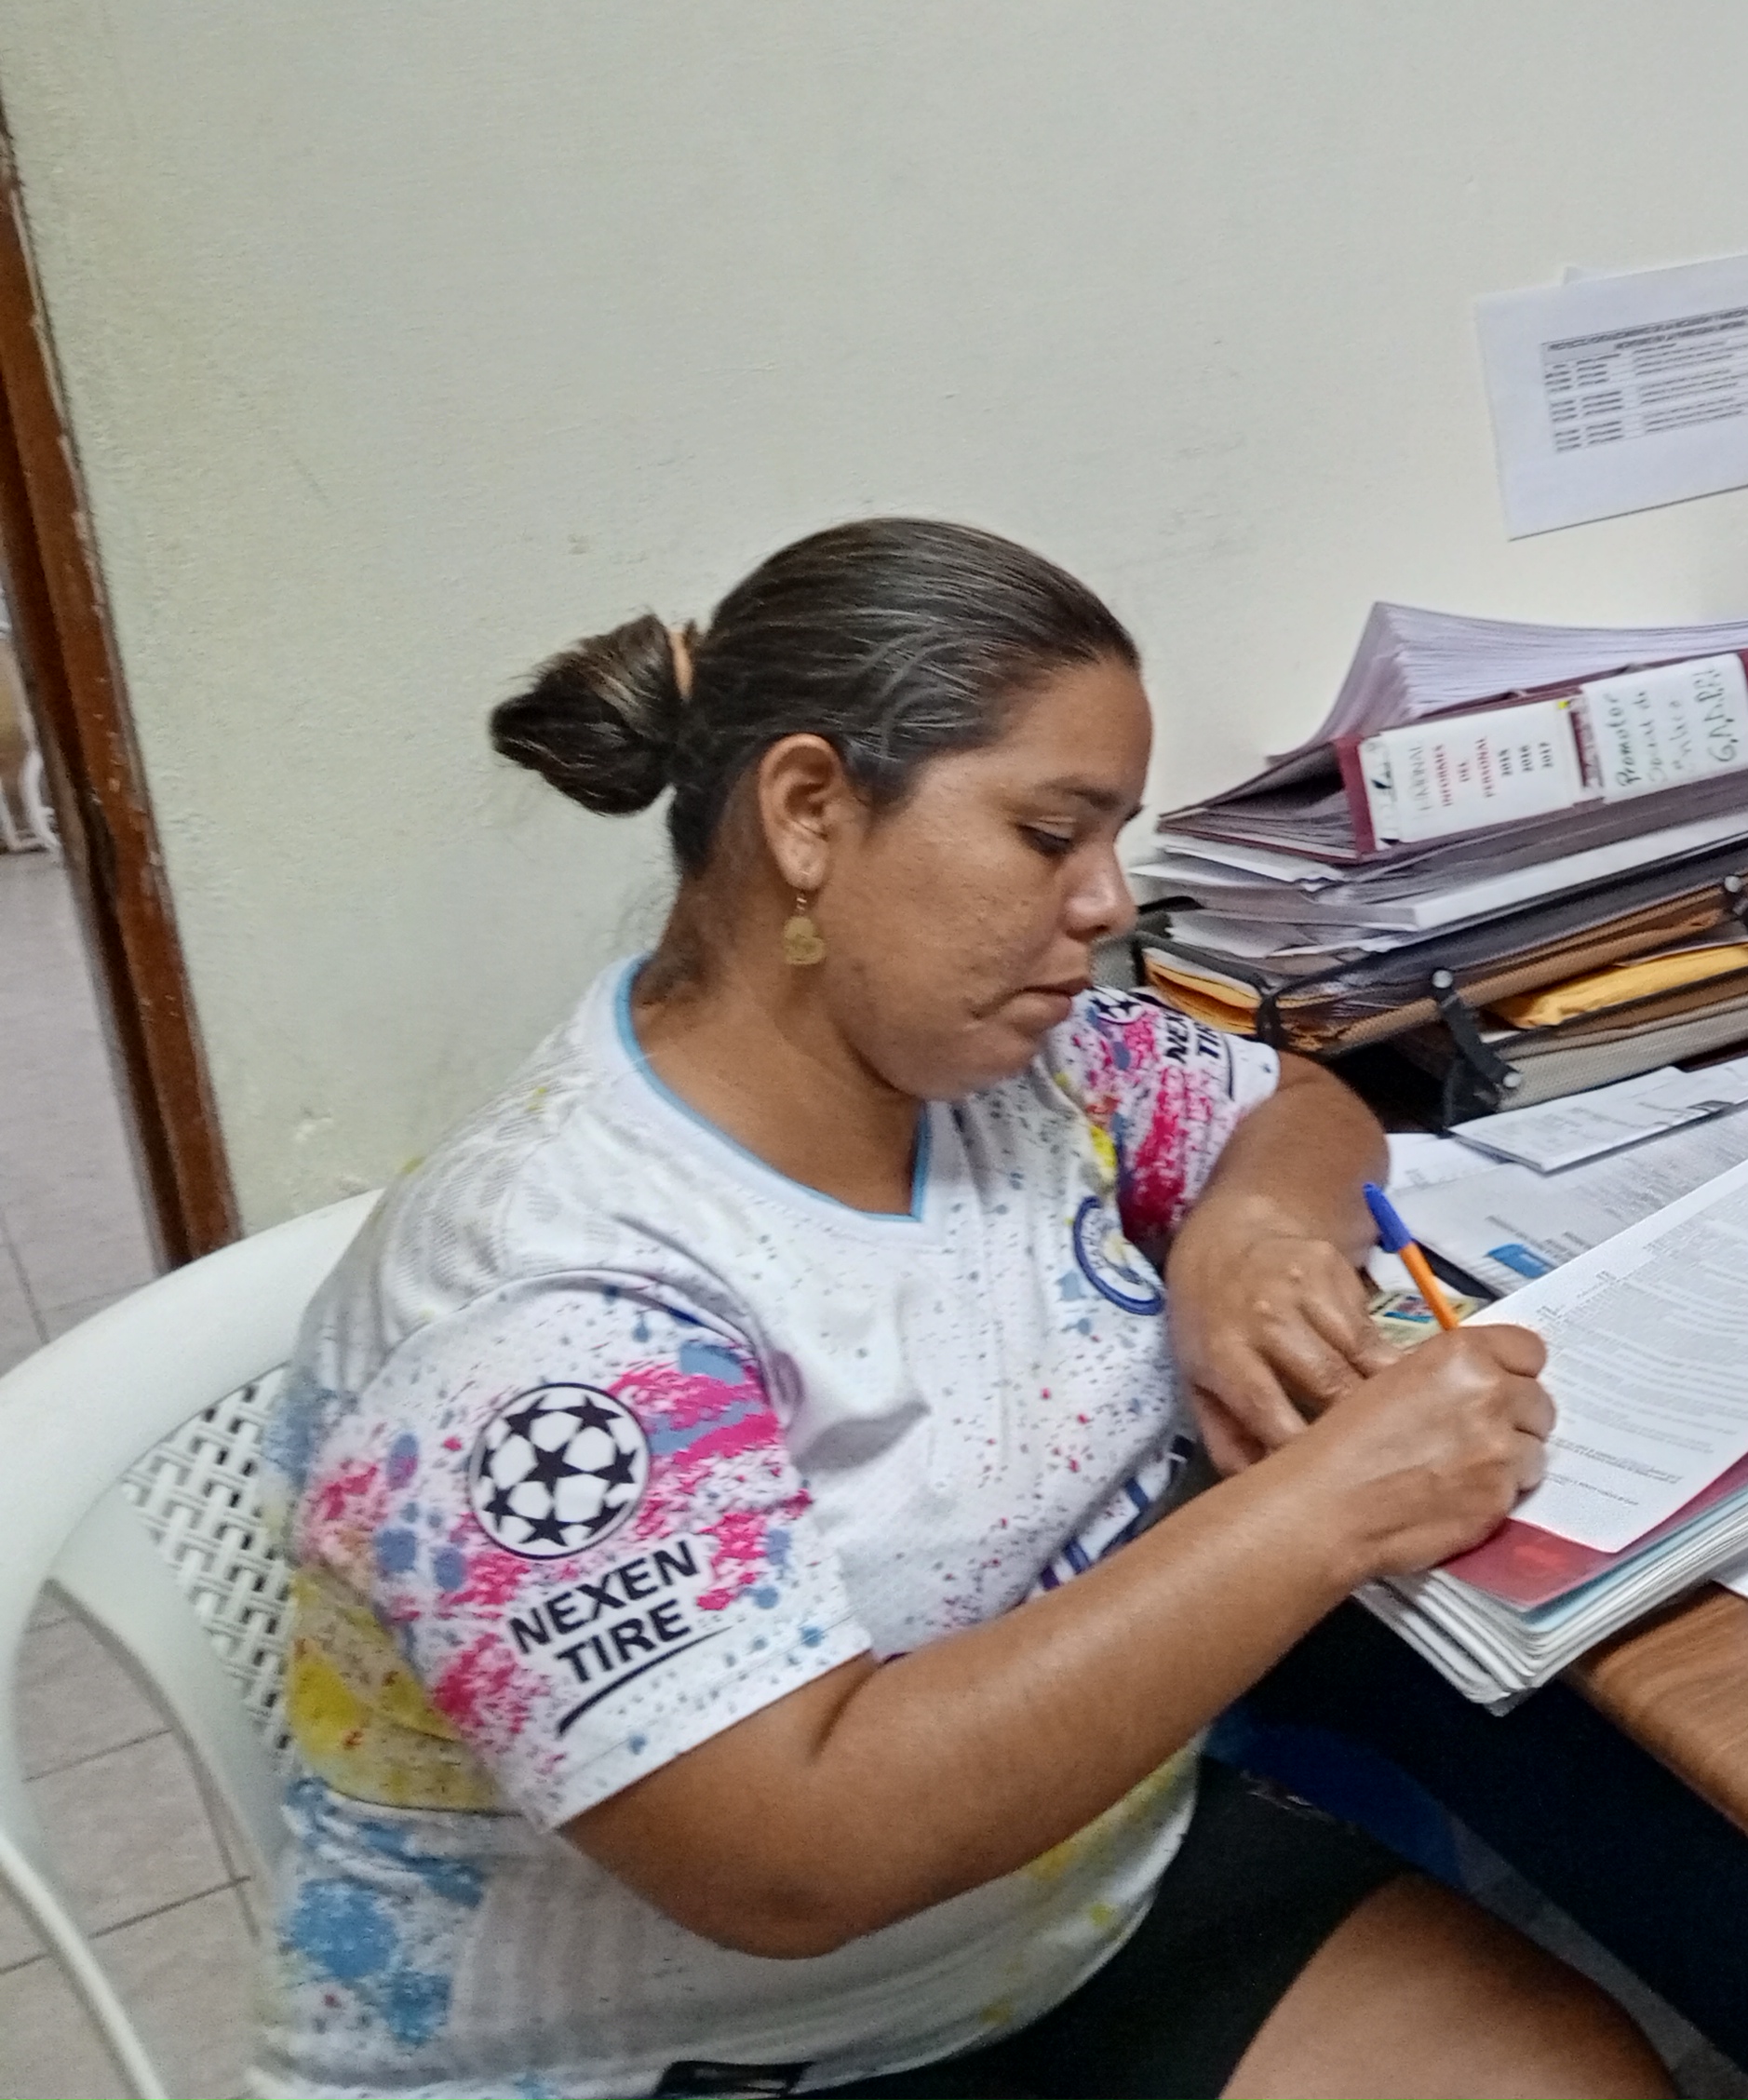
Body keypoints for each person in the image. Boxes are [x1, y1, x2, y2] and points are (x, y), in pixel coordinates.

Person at [258, 519, 1668, 2100]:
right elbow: (791, 1863)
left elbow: (1299, 1106)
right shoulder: (546, 1305)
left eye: (1112, 837)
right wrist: (1333, 1507)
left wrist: (1251, 1230)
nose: (1106, 901)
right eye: (1049, 834)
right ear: (809, 813)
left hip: (1061, 1916)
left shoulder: (1018, 1067)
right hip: (694, 2058)